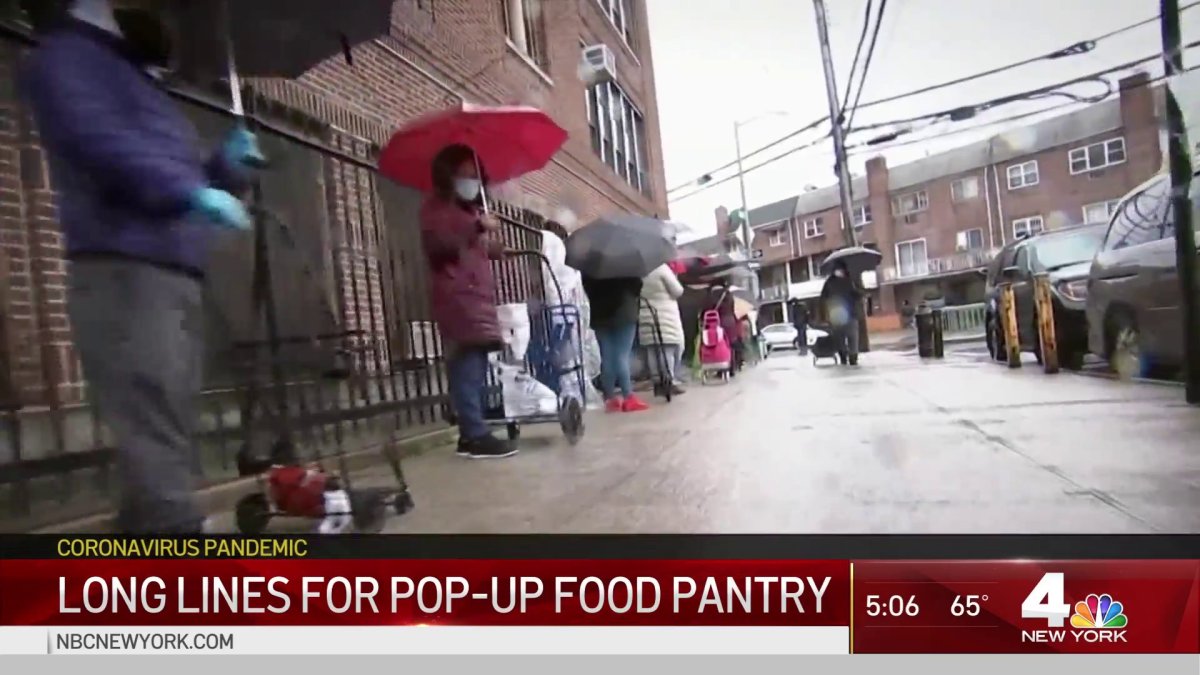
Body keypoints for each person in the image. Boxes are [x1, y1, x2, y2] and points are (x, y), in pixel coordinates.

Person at [20, 0, 263, 533]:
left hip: (171, 269)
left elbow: (175, 168)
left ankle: (143, 536)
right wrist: (189, 191)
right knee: (153, 415)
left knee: (165, 418)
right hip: (124, 267)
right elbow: (102, 145)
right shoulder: (64, 58)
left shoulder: (131, 72)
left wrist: (225, 167)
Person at [420, 144, 516, 459]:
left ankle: (471, 432)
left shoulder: (469, 211)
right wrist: (476, 227)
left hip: (475, 299)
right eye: (463, 175)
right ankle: (474, 433)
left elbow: (469, 248)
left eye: (475, 176)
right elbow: (441, 245)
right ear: (448, 177)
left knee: (473, 367)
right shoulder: (437, 209)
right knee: (466, 365)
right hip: (457, 299)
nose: (470, 182)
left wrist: (493, 247)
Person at [583, 275, 649, 413]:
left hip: (599, 315)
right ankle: (628, 396)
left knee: (606, 357)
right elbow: (636, 287)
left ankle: (610, 398)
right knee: (622, 356)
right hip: (624, 313)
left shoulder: (592, 269)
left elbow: (587, 290)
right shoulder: (624, 266)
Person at [638, 263, 686, 396]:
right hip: (665, 316)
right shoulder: (661, 268)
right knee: (667, 350)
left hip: (645, 314)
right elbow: (678, 291)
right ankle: (668, 381)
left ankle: (657, 383)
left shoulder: (637, 271)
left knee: (652, 350)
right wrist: (675, 277)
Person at [820, 260, 863, 366]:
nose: (839, 272)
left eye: (841, 269)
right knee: (840, 338)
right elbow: (823, 298)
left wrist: (856, 289)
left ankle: (853, 357)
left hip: (850, 313)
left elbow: (858, 295)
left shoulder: (850, 281)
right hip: (836, 315)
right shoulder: (829, 283)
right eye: (837, 270)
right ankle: (843, 356)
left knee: (852, 337)